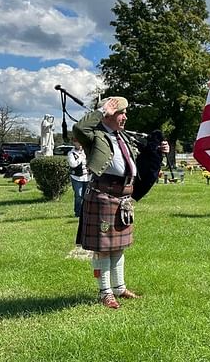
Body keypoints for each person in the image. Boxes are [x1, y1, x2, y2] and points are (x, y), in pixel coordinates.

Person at [72, 96, 169, 309]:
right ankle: (105, 292)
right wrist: (102, 110)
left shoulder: (123, 136)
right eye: (121, 113)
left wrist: (158, 152)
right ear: (110, 115)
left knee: (118, 247)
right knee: (104, 248)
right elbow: (78, 128)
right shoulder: (95, 135)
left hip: (122, 197)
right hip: (103, 195)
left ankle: (120, 288)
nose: (125, 117)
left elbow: (137, 159)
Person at [67, 138, 90, 217]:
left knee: (86, 196)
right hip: (77, 177)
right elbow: (72, 164)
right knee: (78, 195)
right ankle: (78, 213)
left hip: (87, 177)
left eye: (81, 143)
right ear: (74, 143)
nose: (80, 145)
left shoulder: (86, 151)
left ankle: (85, 212)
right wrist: (80, 157)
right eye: (78, 143)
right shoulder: (71, 153)